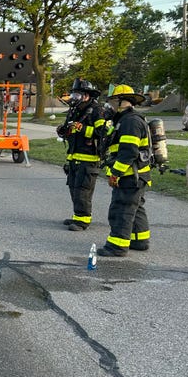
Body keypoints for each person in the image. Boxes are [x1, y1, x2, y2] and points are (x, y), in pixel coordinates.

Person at [97, 84, 152, 257]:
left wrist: (116, 173)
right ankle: (139, 240)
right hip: (137, 175)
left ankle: (117, 246)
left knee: (122, 210)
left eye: (113, 101)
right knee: (136, 208)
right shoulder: (125, 120)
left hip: (129, 175)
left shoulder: (130, 122)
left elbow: (129, 151)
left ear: (122, 101)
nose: (110, 106)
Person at [56, 78, 108, 231]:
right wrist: (63, 131)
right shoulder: (76, 110)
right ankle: (77, 216)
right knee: (73, 187)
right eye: (74, 95)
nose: (74, 98)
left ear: (87, 95)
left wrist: (83, 128)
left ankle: (82, 220)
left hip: (89, 158)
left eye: (78, 95)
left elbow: (103, 134)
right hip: (74, 157)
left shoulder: (96, 111)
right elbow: (71, 130)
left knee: (82, 190)